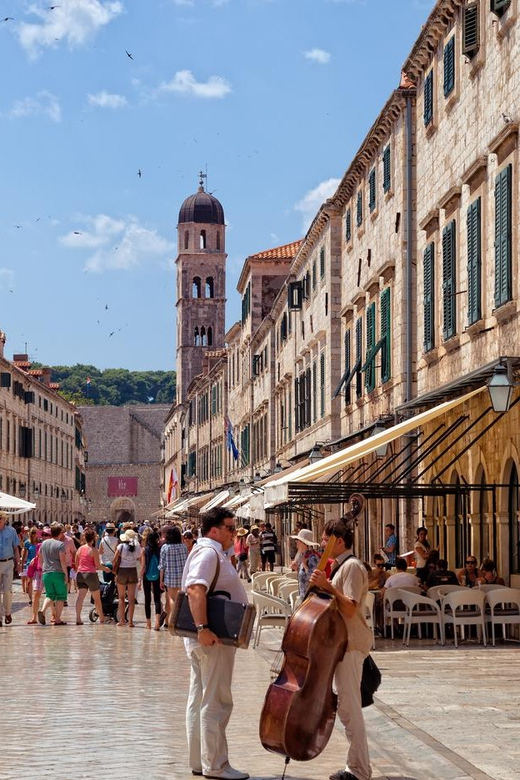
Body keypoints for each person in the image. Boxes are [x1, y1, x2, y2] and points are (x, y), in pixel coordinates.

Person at [182, 507, 249, 780]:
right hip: (212, 639)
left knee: (199, 699)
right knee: (216, 700)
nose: (234, 533)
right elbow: (196, 589)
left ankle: (201, 761)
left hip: (209, 638)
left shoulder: (213, 552)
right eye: (230, 528)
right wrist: (203, 628)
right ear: (214, 530)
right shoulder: (209, 553)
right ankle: (216, 765)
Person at [310, 520, 373, 780]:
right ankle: (357, 766)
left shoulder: (353, 567)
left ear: (338, 540)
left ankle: (359, 770)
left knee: (349, 708)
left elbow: (349, 607)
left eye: (325, 540)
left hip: (350, 644)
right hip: (339, 645)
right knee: (347, 707)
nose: (323, 545)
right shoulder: (341, 567)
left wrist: (328, 586)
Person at [38, 524, 68, 626]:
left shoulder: (44, 543)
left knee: (49, 595)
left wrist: (43, 569)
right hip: (58, 573)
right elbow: (62, 560)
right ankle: (58, 619)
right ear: (59, 534)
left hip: (46, 573)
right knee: (61, 596)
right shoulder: (60, 545)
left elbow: (40, 558)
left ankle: (42, 610)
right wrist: (66, 574)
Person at [75, 528, 106, 625]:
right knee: (97, 598)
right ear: (93, 539)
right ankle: (101, 618)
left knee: (80, 598)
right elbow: (97, 565)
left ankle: (78, 618)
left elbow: (76, 563)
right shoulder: (94, 550)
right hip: (91, 575)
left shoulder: (80, 549)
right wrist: (106, 569)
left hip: (80, 574)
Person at [159, 525, 188, 629]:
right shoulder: (183, 547)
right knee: (181, 599)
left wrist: (161, 581)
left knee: (171, 599)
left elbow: (162, 566)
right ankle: (178, 620)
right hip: (182, 577)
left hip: (170, 577)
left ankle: (172, 620)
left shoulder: (165, 548)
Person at [113, 528, 141, 627]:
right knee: (131, 599)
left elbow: (114, 559)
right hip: (133, 570)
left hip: (122, 571)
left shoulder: (121, 546)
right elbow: (139, 558)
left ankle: (122, 620)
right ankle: (131, 621)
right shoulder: (137, 546)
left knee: (121, 597)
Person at [0, 512, 22, 626]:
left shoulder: (11, 531)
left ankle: (7, 612)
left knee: (7, 591)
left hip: (8, 562)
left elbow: (16, 548)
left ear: (4, 520)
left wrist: (18, 563)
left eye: (0, 519)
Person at [141, 530, 163, 630]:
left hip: (146, 575)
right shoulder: (160, 549)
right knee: (157, 599)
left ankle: (148, 623)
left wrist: (139, 579)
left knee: (147, 599)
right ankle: (157, 622)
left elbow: (143, 566)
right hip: (158, 575)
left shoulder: (144, 550)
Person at [290, 528, 321, 598]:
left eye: (297, 540)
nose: (296, 542)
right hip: (304, 596)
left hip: (310, 598)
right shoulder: (303, 555)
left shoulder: (313, 558)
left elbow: (313, 578)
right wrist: (297, 569)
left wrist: (305, 565)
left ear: (303, 543)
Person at [21, 526, 39, 605]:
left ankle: (36, 598)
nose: (34, 535)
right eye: (32, 533)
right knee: (29, 582)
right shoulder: (27, 543)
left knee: (38, 582)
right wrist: (22, 565)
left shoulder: (39, 542)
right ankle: (30, 599)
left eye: (35, 533)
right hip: (29, 564)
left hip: (38, 564)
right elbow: (24, 555)